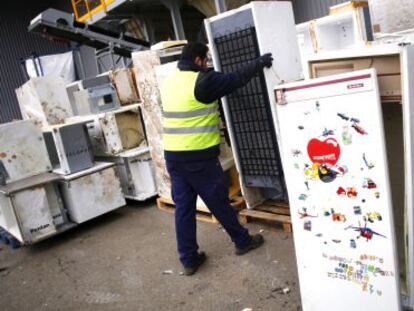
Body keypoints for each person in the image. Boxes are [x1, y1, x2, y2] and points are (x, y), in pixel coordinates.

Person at [160, 42, 274, 276]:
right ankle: (243, 242)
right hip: (198, 157)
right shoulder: (202, 82)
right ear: (199, 60)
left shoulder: (170, 81)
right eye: (206, 60)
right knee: (219, 202)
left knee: (184, 208)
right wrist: (259, 63)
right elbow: (235, 79)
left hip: (173, 156)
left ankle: (189, 260)